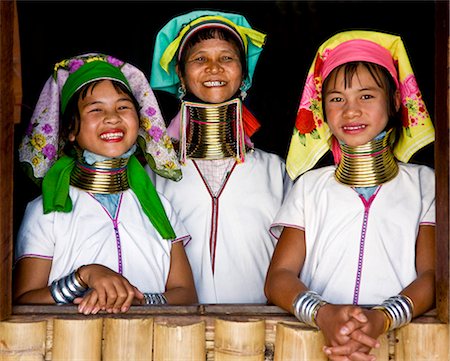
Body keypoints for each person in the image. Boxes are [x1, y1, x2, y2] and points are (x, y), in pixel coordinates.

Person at [264, 30, 435, 361]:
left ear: (396, 101)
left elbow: (433, 276)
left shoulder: (425, 185)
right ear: (321, 108)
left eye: (367, 96)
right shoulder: (309, 188)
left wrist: (381, 319)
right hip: (315, 344)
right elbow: (278, 278)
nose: (351, 110)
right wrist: (324, 315)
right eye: (336, 98)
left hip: (402, 348)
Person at [14, 53, 198, 314]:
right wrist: (84, 277)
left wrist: (135, 300)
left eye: (123, 107)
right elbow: (23, 299)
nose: (112, 117)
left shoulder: (160, 207)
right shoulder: (46, 211)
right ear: (70, 130)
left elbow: (187, 294)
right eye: (96, 109)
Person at [148, 10, 291, 304]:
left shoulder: (275, 172)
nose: (214, 68)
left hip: (261, 331)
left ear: (244, 73)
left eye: (226, 58)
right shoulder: (155, 172)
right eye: (200, 59)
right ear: (180, 73)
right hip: (171, 331)